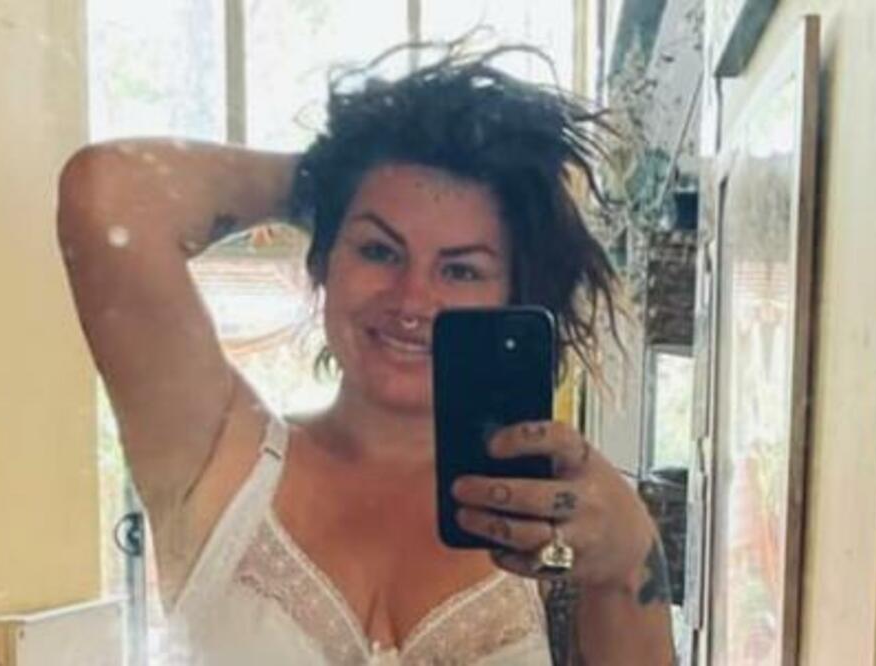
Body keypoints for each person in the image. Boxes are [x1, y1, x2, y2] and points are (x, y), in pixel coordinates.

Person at [58, 41, 674, 665]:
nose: (411, 299)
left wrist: (628, 564)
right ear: (322, 260)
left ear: (513, 297)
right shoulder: (221, 459)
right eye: (379, 250)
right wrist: (331, 176)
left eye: (460, 270)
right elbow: (105, 195)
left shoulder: (561, 522)